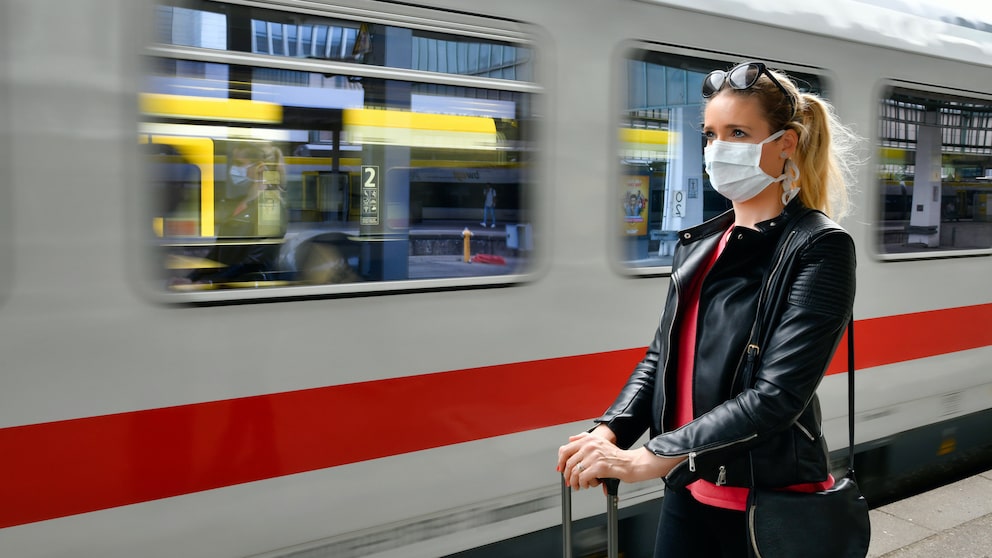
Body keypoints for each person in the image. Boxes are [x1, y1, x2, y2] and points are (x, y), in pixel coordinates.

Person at [556, 61, 860, 557]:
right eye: (711, 134)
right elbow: (662, 359)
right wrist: (610, 429)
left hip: (766, 503)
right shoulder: (703, 244)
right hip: (688, 488)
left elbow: (777, 395)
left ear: (785, 143)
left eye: (738, 133)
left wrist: (654, 453)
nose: (718, 149)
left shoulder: (818, 247)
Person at [178, 142, 288, 285]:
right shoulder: (239, 201)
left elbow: (255, 261)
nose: (234, 168)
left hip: (250, 286)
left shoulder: (270, 206)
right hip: (228, 282)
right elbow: (218, 252)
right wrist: (191, 278)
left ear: (260, 167)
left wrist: (212, 281)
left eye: (238, 163)